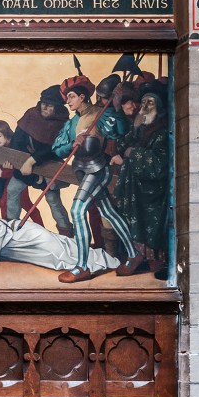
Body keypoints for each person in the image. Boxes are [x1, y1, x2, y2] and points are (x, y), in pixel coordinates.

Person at [49, 73, 137, 283]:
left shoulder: (100, 113)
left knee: (77, 211)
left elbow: (120, 131)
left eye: (71, 96)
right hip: (81, 170)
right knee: (108, 212)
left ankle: (82, 267)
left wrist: (115, 109)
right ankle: (135, 255)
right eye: (66, 98)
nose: (68, 101)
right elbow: (57, 149)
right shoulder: (72, 123)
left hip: (97, 169)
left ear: (82, 97)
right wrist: (72, 144)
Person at [0, 205, 121, 277]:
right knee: (61, 256)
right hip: (22, 249)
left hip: (29, 237)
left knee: (63, 255)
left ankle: (109, 261)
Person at [110, 80, 171, 278]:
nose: (144, 106)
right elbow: (121, 146)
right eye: (143, 102)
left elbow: (159, 165)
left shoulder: (163, 130)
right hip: (135, 186)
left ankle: (154, 260)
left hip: (153, 189)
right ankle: (137, 256)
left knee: (151, 226)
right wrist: (135, 129)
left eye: (150, 102)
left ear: (159, 106)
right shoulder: (141, 126)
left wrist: (131, 153)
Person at [5, 84, 69, 230]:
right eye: (43, 104)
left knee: (53, 200)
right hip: (25, 165)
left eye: (50, 105)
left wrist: (33, 161)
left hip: (47, 165)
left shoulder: (63, 123)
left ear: (57, 108)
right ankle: (11, 227)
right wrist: (16, 160)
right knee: (12, 190)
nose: (44, 108)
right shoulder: (31, 115)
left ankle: (66, 232)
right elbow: (17, 140)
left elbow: (54, 149)